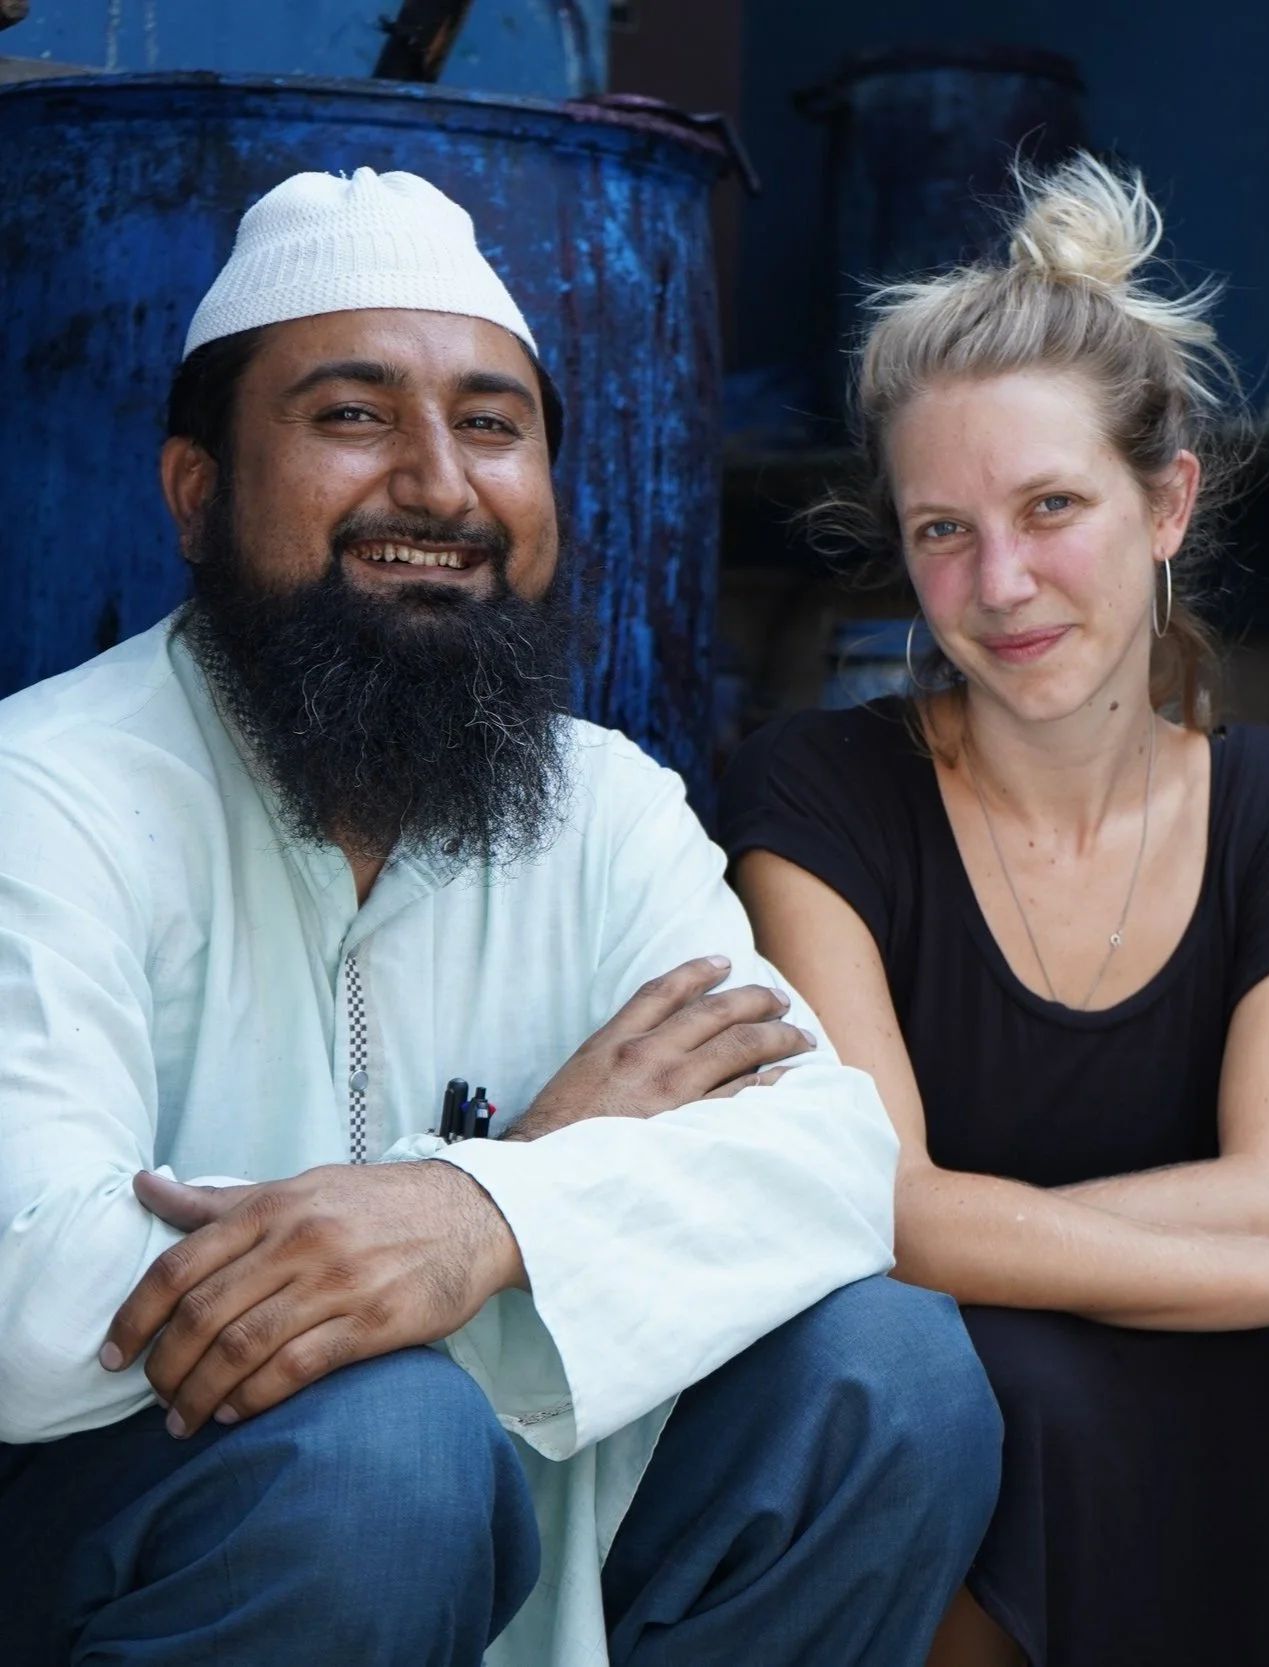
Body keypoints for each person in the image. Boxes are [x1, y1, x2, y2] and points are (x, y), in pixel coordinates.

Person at [0, 166, 1003, 1667]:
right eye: (353, 415)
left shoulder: (604, 802)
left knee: (891, 1374)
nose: (439, 486)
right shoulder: (46, 790)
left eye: (491, 425)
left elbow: (829, 1166)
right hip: (130, 1547)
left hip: (531, 1527)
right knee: (386, 1449)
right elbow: (29, 1286)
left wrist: (481, 1217)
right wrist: (515, 1175)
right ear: (197, 492)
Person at [719, 153, 1269, 1667]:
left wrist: (976, 1232)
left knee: (1212, 1373)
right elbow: (884, 1208)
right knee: (980, 1382)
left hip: (1194, 1393)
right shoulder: (813, 796)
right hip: (947, 1423)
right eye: (942, 529)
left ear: (1166, 503)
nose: (1001, 581)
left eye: (1051, 507)